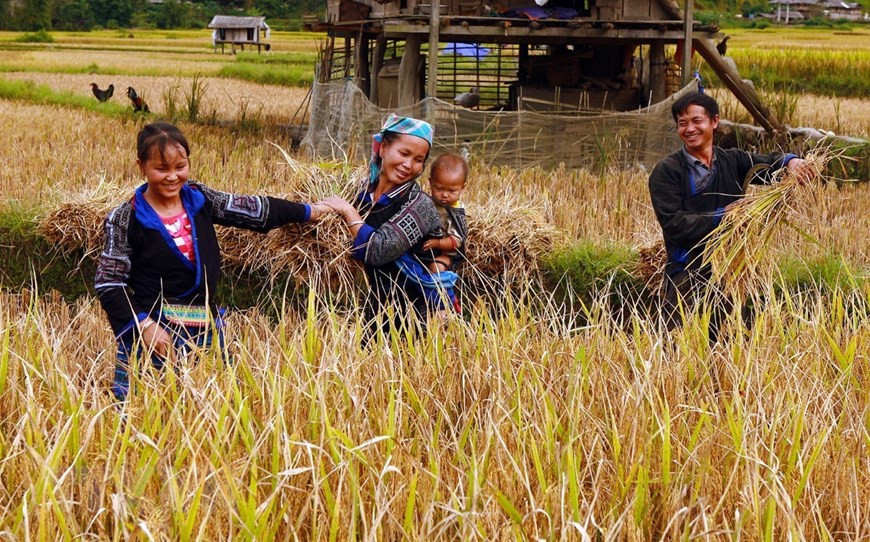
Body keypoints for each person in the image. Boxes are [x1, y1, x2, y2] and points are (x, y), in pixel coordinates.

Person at [96, 122, 334, 401]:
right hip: (153, 330)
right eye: (162, 169)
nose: (173, 177)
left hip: (203, 325)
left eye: (180, 167)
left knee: (218, 412)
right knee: (144, 413)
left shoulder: (199, 199)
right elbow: (110, 283)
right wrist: (146, 327)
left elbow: (254, 210)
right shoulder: (125, 218)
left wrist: (312, 211)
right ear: (141, 166)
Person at [648, 92, 816, 340]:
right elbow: (675, 224)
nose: (689, 129)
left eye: (697, 121)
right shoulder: (666, 172)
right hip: (688, 272)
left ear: (714, 122)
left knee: (737, 344)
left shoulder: (733, 160)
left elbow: (767, 164)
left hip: (735, 272)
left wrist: (790, 163)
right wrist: (723, 215)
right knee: (682, 349)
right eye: (683, 123)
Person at [321, 114, 455, 333]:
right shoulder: (361, 192)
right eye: (404, 153)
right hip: (371, 305)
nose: (408, 165)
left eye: (418, 160)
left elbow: (378, 250)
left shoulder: (420, 205)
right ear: (383, 148)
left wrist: (347, 210)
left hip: (415, 313)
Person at [421, 153, 468, 276]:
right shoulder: (425, 202)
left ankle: (441, 291)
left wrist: (438, 243)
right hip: (426, 248)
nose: (445, 195)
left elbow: (456, 241)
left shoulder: (455, 212)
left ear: (462, 188)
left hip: (446, 253)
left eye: (452, 191)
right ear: (430, 183)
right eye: (439, 189)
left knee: (436, 267)